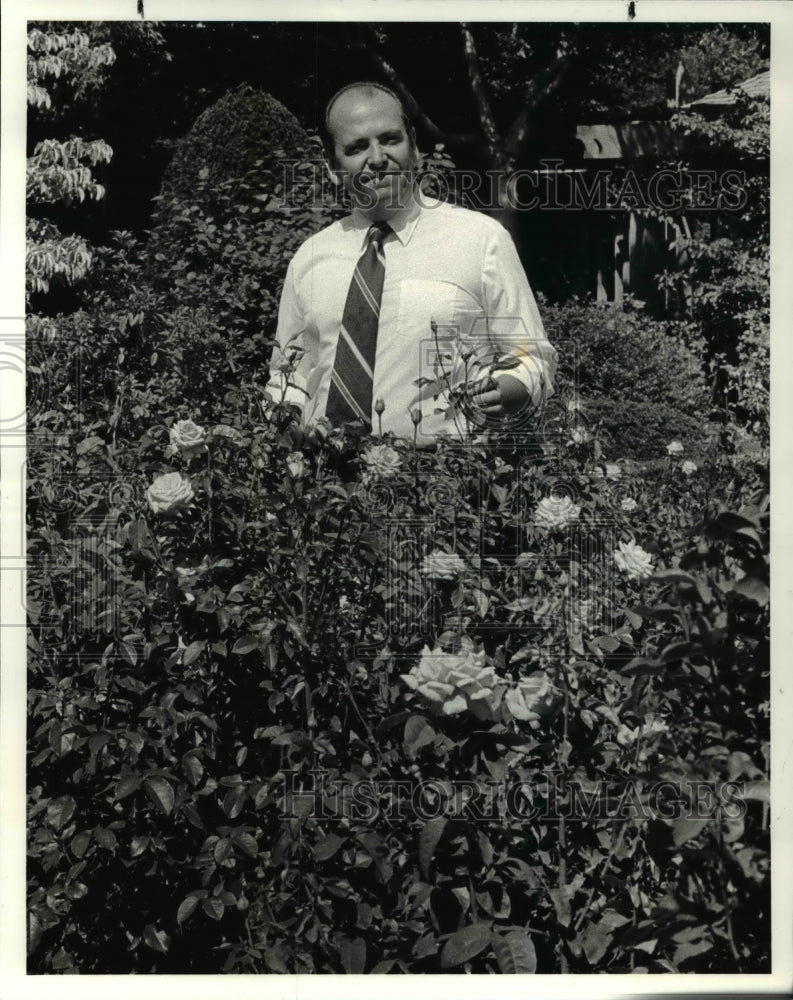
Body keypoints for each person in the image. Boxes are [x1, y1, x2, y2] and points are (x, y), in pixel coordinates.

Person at [266, 81, 557, 448]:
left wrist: (511, 387)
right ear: (332, 166)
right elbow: (287, 377)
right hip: (326, 485)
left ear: (414, 145)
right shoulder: (309, 259)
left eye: (390, 139)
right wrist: (285, 426)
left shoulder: (482, 241)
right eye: (357, 147)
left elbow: (535, 359)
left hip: (443, 478)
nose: (376, 158)